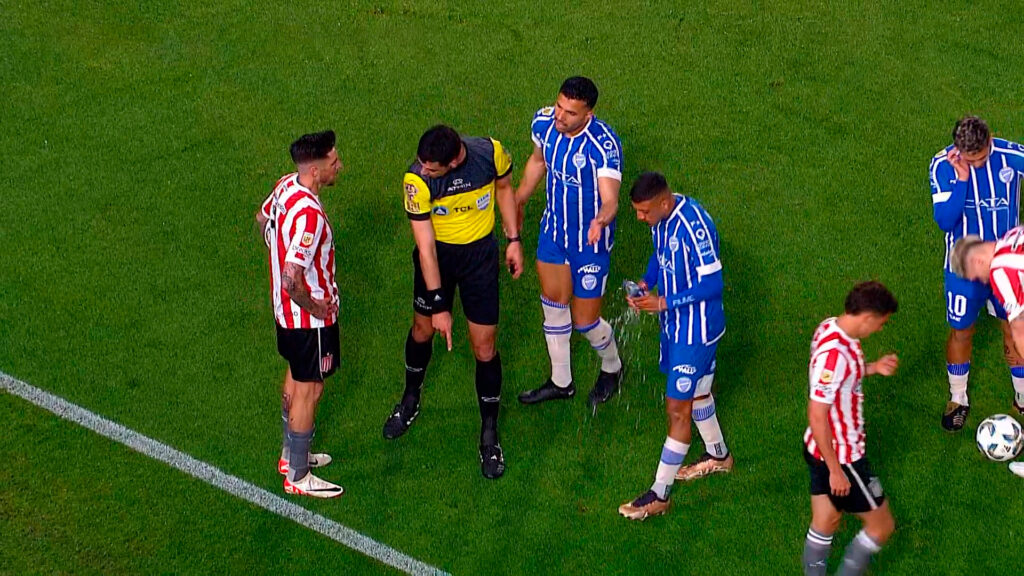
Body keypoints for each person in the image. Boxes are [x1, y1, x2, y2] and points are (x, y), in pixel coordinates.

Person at [382, 125, 522, 479]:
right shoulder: (417, 180)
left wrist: (513, 239)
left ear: (454, 160)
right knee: (423, 329)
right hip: (438, 260)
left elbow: (505, 188)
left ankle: (489, 433)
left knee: (484, 347)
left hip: (480, 259)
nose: (423, 170)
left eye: (432, 167)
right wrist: (440, 304)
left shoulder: (490, 153)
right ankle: (410, 398)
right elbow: (426, 247)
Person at [617, 172, 732, 521]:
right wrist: (645, 283)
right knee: (699, 394)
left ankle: (659, 494)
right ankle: (719, 456)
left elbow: (713, 284)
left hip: (695, 332)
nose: (641, 218)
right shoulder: (661, 218)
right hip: (675, 326)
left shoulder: (693, 225)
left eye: (644, 212)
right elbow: (660, 255)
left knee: (677, 409)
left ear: (664, 203)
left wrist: (663, 302)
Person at [515, 76, 625, 409]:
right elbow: (538, 161)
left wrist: (600, 220)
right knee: (553, 303)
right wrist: (518, 200)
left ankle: (613, 367)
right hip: (554, 233)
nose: (560, 117)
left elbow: (610, 198)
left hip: (589, 243)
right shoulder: (544, 122)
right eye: (559, 107)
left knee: (586, 321)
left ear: (589, 114)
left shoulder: (603, 145)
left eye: (570, 113)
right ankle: (561, 381)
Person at [256, 130, 343, 498]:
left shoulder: (285, 185)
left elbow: (262, 220)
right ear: (315, 170)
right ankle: (298, 475)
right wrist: (318, 308)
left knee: (295, 377)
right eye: (334, 162)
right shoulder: (310, 216)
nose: (340, 166)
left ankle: (289, 455)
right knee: (311, 389)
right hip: (309, 322)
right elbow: (293, 280)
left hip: (284, 315)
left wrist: (277, 257)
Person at [928, 116, 1024, 431]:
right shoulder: (942, 166)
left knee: (1013, 328)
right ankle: (958, 397)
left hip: (1007, 268)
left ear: (990, 139)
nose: (979, 164)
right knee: (962, 331)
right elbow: (945, 220)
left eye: (982, 157)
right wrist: (962, 180)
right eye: (972, 160)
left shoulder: (1011, 155)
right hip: (964, 268)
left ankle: (1022, 397)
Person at [800, 282, 898, 576]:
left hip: (816, 448)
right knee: (881, 527)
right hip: (843, 458)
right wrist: (835, 470)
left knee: (826, 522)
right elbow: (817, 413)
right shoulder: (834, 357)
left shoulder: (830, 327)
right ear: (867, 317)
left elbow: (842, 375)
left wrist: (873, 367)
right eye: (880, 323)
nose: (880, 329)